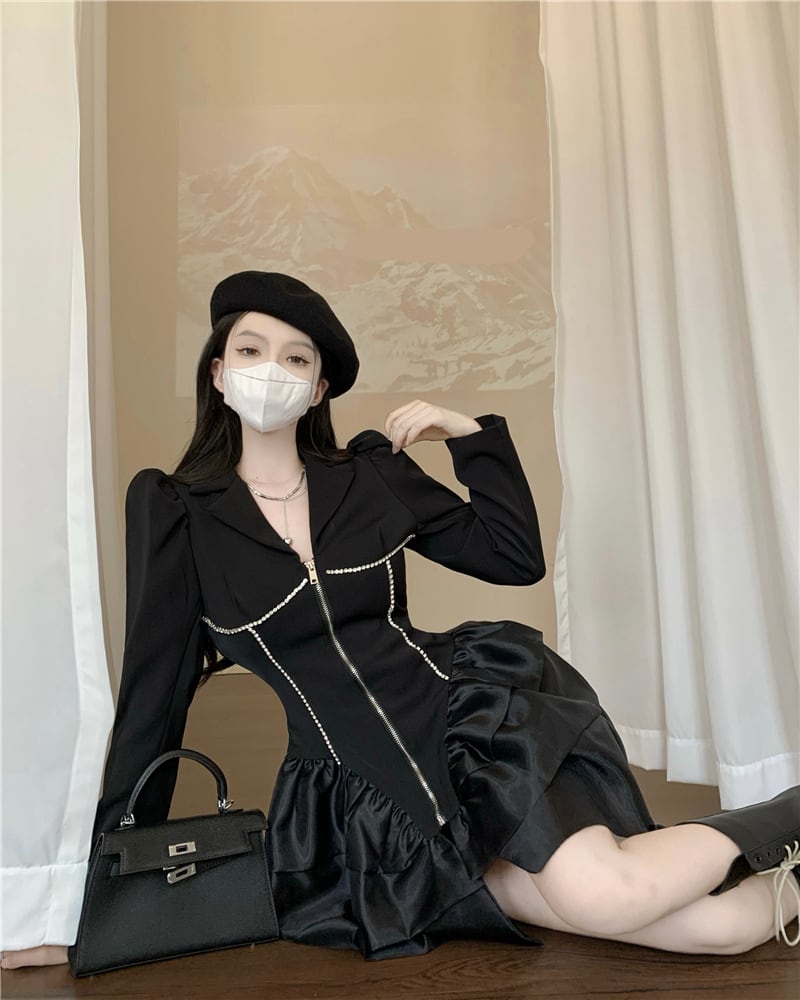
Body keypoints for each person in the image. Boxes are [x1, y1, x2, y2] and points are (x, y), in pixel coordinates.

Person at [3, 271, 798, 970]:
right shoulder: (178, 513)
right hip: (366, 818)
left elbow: (513, 556)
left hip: (472, 739)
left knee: (614, 896)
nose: (271, 370)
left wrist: (471, 438)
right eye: (250, 350)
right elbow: (153, 703)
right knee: (723, 927)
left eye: (296, 359)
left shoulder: (367, 477)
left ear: (318, 389)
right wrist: (94, 906)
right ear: (217, 371)